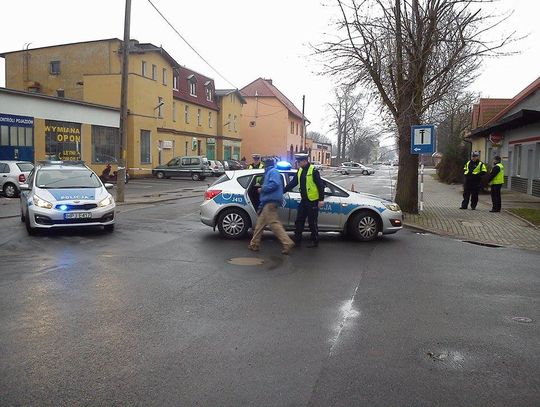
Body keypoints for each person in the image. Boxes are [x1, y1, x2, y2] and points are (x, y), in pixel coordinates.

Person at [249, 158, 295, 255]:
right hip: (267, 202)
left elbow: (275, 184)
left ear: (266, 165)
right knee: (260, 224)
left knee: (274, 224)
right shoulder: (270, 172)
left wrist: (262, 189)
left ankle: (287, 243)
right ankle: (254, 244)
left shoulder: (273, 172)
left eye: (264, 164)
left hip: (271, 201)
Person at [284, 152, 325, 248]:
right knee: (299, 220)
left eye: (299, 161)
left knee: (312, 222)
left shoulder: (313, 171)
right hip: (304, 200)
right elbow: (293, 183)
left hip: (313, 201)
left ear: (305, 161)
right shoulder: (300, 171)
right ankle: (297, 240)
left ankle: (314, 241)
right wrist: (282, 190)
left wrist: (321, 200)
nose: (298, 163)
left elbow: (320, 186)